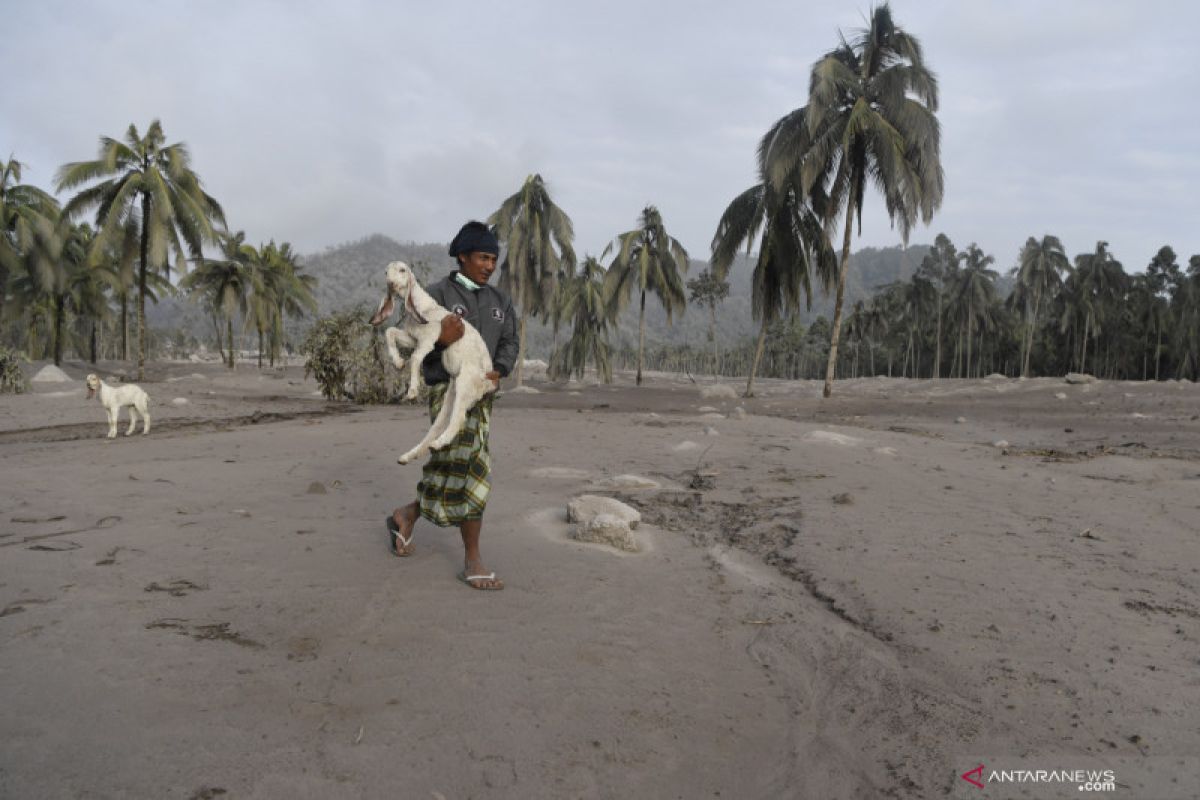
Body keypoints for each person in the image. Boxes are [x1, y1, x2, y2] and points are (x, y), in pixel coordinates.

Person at [386, 221, 518, 590]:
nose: (489, 266)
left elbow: (510, 342)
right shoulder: (435, 295)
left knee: (447, 466)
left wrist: (501, 370)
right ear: (462, 257)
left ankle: (406, 514)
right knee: (473, 466)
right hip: (447, 393)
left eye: (494, 259)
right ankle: (472, 559)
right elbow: (414, 343)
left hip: (481, 395)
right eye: (482, 257)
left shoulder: (500, 301)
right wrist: (441, 340)